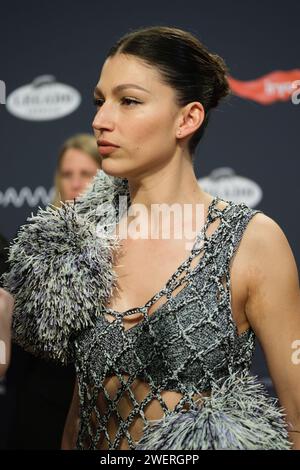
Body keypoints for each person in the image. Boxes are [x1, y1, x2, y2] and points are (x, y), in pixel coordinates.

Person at [3, 26, 300, 450]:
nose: (100, 120)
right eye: (100, 101)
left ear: (188, 118)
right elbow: (78, 413)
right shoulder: (82, 240)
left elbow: (297, 413)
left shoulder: (252, 242)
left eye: (128, 101)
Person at [4, 134, 101, 449]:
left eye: (86, 174)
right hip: (39, 399)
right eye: (67, 174)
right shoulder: (34, 244)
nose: (75, 183)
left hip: (101, 405)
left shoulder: (130, 240)